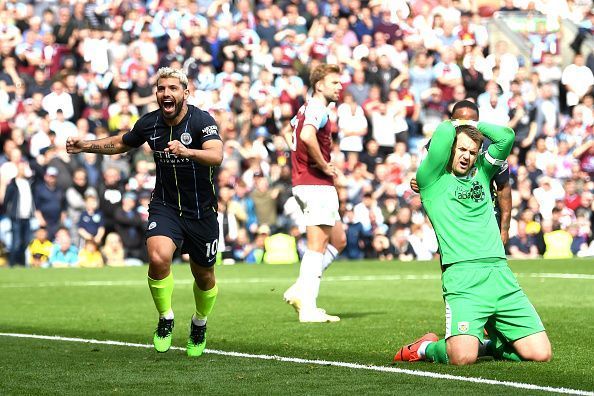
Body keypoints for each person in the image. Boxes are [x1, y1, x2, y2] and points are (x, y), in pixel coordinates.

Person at [66, 67, 223, 357]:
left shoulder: (202, 121)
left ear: (185, 93)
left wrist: (189, 152)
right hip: (165, 206)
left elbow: (216, 155)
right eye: (162, 88)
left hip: (202, 211)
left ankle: (199, 323)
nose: (166, 93)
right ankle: (165, 318)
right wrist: (86, 145)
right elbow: (122, 143)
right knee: (158, 256)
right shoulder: (150, 124)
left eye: (173, 88)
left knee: (204, 276)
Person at [393, 115, 551, 365]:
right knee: (462, 358)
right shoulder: (430, 180)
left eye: (472, 151)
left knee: (540, 354)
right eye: (461, 149)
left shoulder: (483, 173)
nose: (466, 156)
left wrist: (474, 125)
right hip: (463, 278)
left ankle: (486, 344)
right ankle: (425, 348)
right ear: (450, 150)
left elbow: (506, 136)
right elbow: (444, 131)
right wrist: (459, 123)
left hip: (500, 275)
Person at [282, 63, 347, 323]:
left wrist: (296, 159)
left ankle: (301, 289)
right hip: (315, 182)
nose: (339, 86)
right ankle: (308, 306)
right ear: (319, 85)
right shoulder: (317, 108)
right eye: (334, 82)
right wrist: (321, 165)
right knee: (317, 245)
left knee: (338, 240)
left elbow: (289, 132)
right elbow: (307, 135)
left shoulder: (305, 108)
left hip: (310, 182)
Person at [411, 100, 512, 245]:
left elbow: (503, 187)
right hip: (451, 214)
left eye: (472, 123)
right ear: (452, 122)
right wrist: (417, 182)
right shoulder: (438, 145)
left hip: (484, 214)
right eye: (461, 122)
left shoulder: (491, 148)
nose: (467, 126)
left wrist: (504, 229)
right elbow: (426, 178)